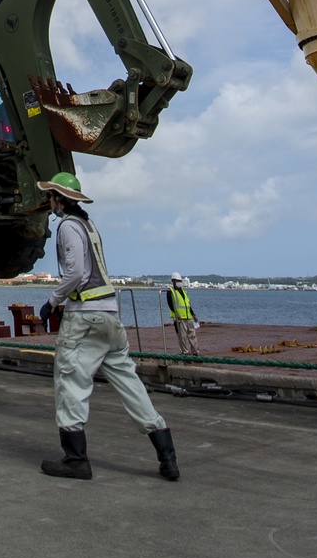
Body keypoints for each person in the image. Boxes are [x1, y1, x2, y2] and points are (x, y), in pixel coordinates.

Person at [37, 172, 180, 482]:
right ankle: (166, 455)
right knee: (130, 385)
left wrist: (51, 302)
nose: (49, 202)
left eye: (51, 197)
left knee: (70, 381)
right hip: (111, 317)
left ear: (60, 200)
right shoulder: (90, 226)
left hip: (85, 318)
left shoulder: (67, 227)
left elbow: (74, 274)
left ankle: (76, 459)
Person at [167, 272, 200, 355]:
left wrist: (193, 314)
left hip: (188, 317)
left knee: (192, 335)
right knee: (182, 337)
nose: (179, 282)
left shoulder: (184, 292)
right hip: (180, 318)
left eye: (180, 281)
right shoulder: (170, 291)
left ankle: (195, 352)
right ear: (173, 281)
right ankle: (184, 353)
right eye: (177, 281)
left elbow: (188, 305)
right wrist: (176, 314)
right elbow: (170, 304)